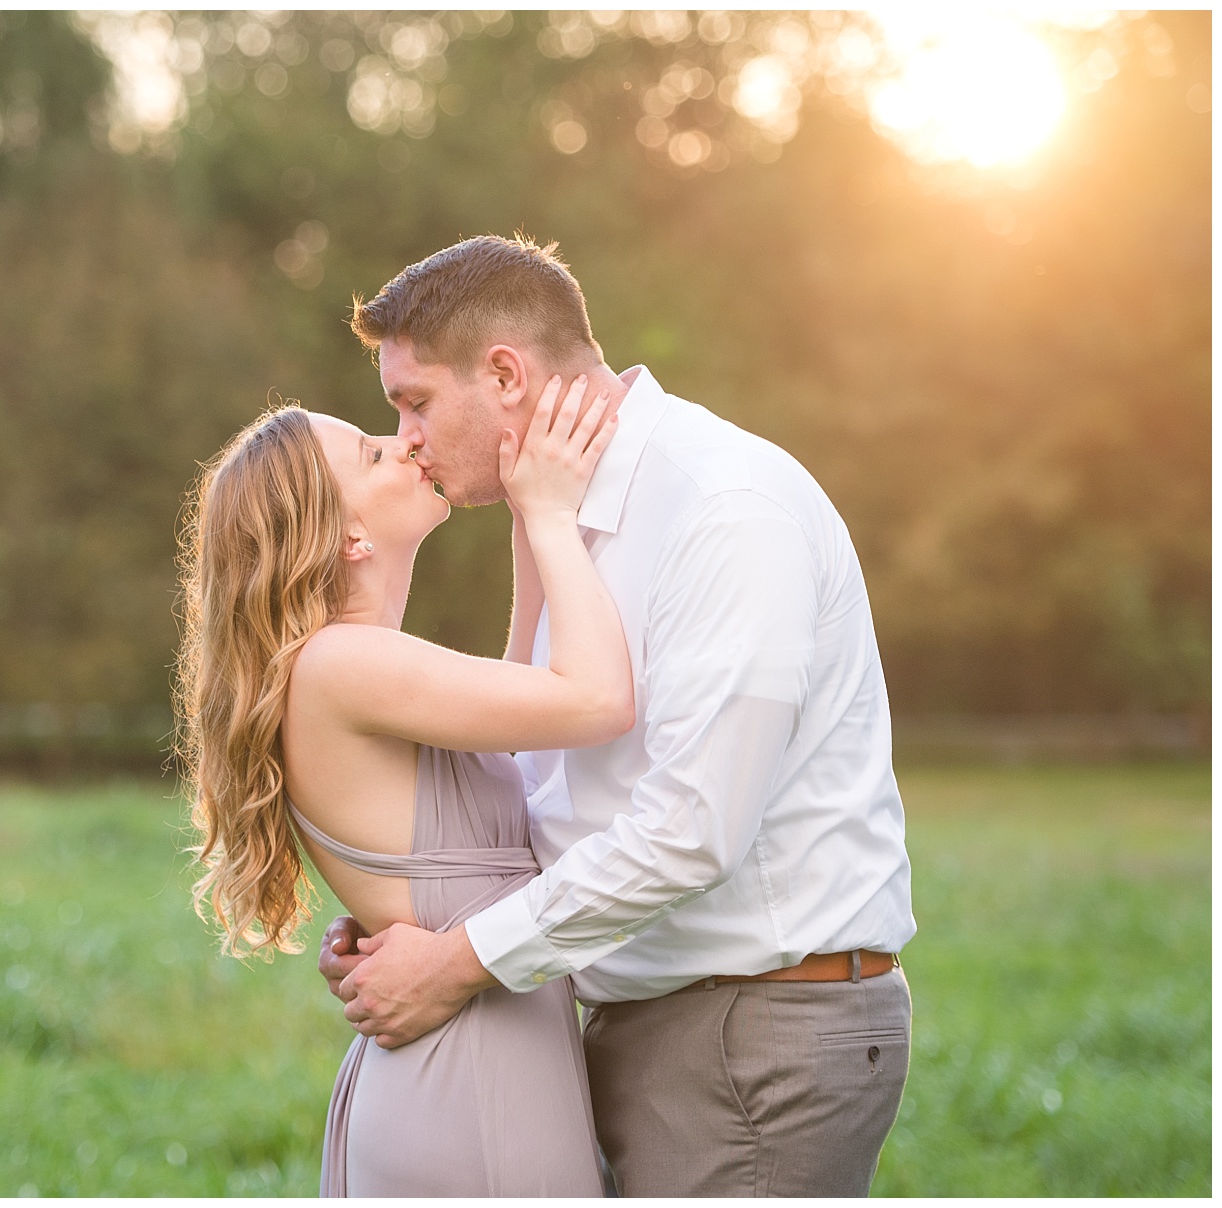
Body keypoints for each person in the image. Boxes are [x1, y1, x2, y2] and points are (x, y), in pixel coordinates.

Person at [318, 234, 918, 1197]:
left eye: (415, 403)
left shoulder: (722, 508)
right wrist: (412, 917)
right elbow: (553, 791)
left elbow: (691, 831)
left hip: (754, 1035)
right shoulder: (566, 519)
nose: (408, 438)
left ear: (505, 374)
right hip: (649, 1019)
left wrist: (459, 960)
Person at [173, 371, 631, 1194]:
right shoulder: (345, 663)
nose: (408, 442)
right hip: (474, 1083)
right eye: (375, 450)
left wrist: (531, 520)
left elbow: (524, 708)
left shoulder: (338, 668)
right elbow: (594, 699)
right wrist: (559, 517)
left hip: (467, 1063)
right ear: (348, 532)